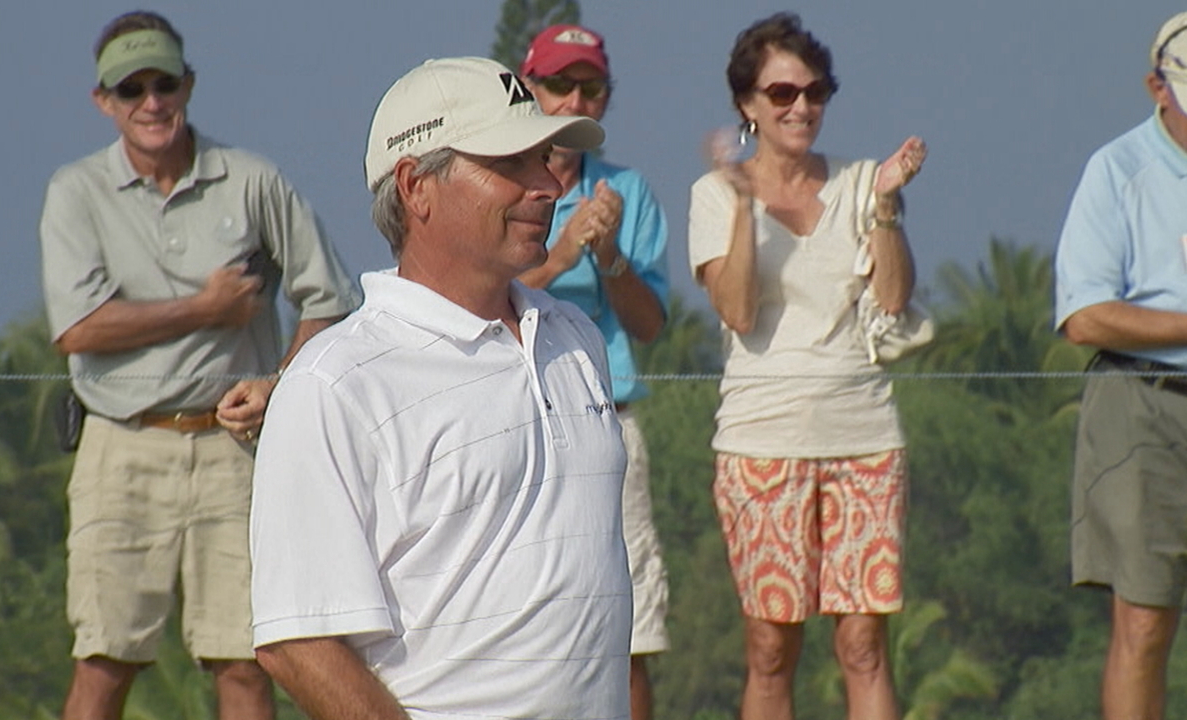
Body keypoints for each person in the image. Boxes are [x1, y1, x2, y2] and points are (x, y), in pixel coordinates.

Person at [248, 56, 632, 719]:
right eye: (511, 164)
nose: (547, 186)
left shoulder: (576, 339)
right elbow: (299, 641)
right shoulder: (334, 384)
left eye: (545, 158)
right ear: (415, 187)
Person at [38, 11, 360, 720]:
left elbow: (330, 298)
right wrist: (207, 307)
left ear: (189, 84)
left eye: (164, 83)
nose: (151, 103)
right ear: (104, 101)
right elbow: (77, 328)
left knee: (246, 661)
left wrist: (280, 385)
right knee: (103, 660)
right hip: (120, 446)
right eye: (131, 89)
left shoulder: (252, 180)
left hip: (234, 450)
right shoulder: (75, 192)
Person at [686, 13, 926, 720]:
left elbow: (891, 296)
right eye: (783, 93)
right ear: (748, 104)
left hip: (865, 437)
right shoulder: (713, 193)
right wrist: (739, 203)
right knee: (770, 648)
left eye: (815, 93)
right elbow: (734, 310)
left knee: (863, 646)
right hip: (763, 441)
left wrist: (884, 204)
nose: (801, 108)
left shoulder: (859, 182)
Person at [517, 24, 671, 720]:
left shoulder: (627, 190)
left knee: (627, 628)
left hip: (610, 419)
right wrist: (561, 255)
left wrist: (608, 256)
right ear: (530, 88)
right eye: (559, 84)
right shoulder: (499, 177)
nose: (576, 98)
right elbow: (482, 295)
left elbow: (649, 324)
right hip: (513, 419)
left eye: (591, 86)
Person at [1054, 12, 1187, 720]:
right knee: (1144, 621)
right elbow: (1086, 316)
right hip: (1142, 403)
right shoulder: (1117, 170)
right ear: (1156, 87)